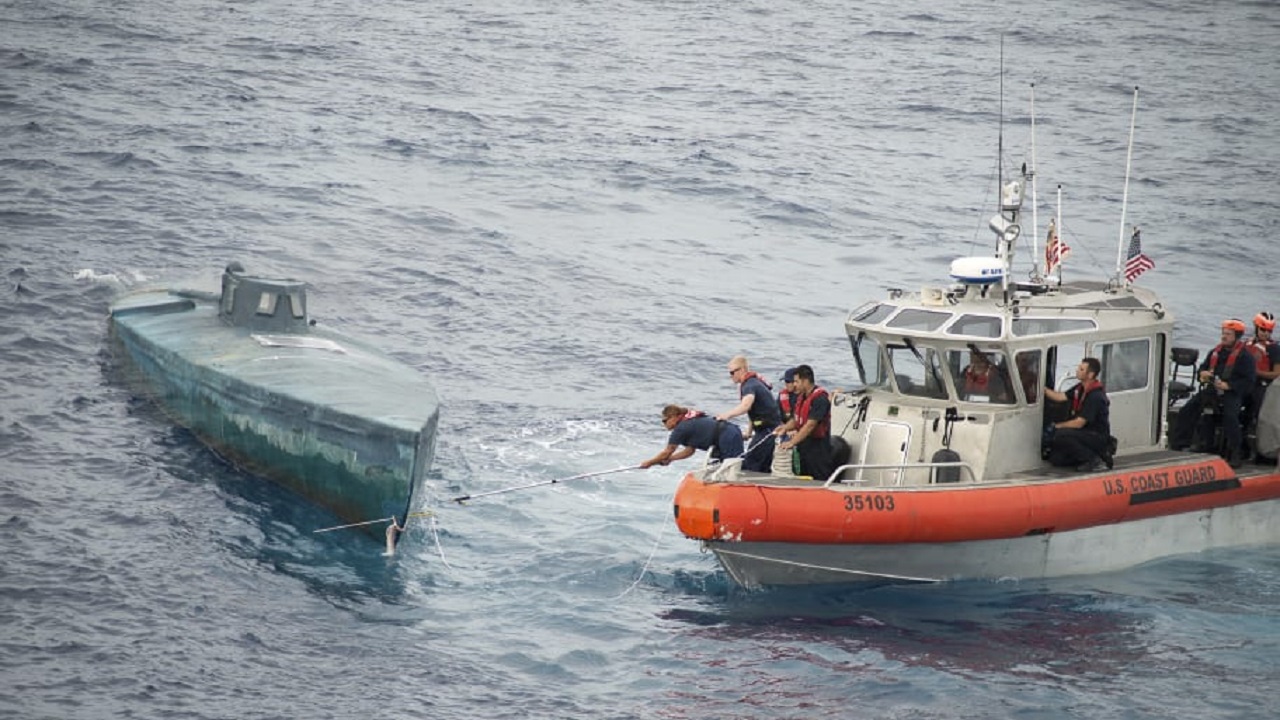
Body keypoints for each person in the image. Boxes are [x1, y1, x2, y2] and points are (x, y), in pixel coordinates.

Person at [1169, 318, 1257, 466]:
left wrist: (1229, 385)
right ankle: (1180, 444)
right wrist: (1202, 374)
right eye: (1223, 333)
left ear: (1236, 337)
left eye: (1228, 334)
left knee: (1230, 417)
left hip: (1232, 393)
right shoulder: (1215, 352)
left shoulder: (1245, 357)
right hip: (1212, 390)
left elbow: (1249, 380)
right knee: (1187, 410)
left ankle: (1235, 452)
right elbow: (1202, 368)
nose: (1224, 336)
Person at [1043, 357, 1113, 471]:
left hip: (1096, 436)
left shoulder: (1095, 396)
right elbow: (1060, 397)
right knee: (1056, 459)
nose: (1077, 370)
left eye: (1081, 369)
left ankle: (1095, 461)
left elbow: (1079, 423)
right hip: (1084, 433)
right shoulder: (1080, 388)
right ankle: (1083, 458)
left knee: (1061, 434)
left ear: (1090, 375)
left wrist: (1057, 426)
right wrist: (1043, 389)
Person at [715, 356, 782, 473]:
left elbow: (746, 406)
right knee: (763, 463)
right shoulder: (753, 382)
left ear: (742, 370)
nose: (731, 376)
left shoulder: (749, 385)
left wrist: (726, 415)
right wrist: (749, 432)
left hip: (768, 430)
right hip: (766, 429)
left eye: (732, 372)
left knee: (751, 461)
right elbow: (753, 410)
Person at [773, 365, 835, 481]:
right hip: (804, 447)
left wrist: (791, 442)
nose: (794, 384)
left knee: (818, 477)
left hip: (818, 449)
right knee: (802, 475)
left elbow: (810, 425)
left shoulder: (820, 399)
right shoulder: (801, 397)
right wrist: (785, 428)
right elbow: (796, 419)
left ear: (805, 381)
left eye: (796, 381)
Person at [640, 404, 744, 469]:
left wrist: (649, 462)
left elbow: (667, 451)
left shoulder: (680, 428)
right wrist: (671, 459)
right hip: (730, 432)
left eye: (664, 421)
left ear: (673, 417)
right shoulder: (687, 422)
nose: (664, 424)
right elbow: (689, 451)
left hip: (727, 435)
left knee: (732, 466)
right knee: (730, 465)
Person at [1243, 312, 1280, 448]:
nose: (1266, 333)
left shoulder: (1274, 349)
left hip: (1263, 386)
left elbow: (1277, 373)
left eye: (1269, 331)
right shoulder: (1246, 344)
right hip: (1244, 384)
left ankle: (1254, 447)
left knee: (1257, 412)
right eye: (1263, 330)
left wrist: (1258, 373)